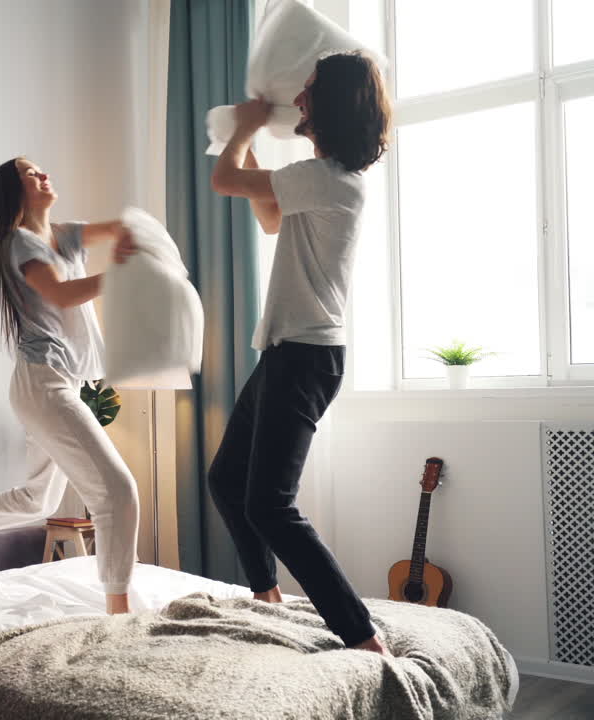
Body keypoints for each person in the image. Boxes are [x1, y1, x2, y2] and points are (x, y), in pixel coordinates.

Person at [207, 51, 393, 653]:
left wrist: (242, 129)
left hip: (304, 358)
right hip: (289, 353)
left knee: (270, 505)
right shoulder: (325, 180)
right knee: (227, 481)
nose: (300, 98)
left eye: (310, 88)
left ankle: (362, 636)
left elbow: (223, 181)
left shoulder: (327, 178)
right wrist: (245, 144)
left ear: (331, 104)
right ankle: (267, 597)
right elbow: (267, 216)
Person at [0, 157, 140, 614]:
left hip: (57, 384)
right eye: (30, 174)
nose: (43, 175)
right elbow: (62, 294)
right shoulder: (20, 243)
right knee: (118, 492)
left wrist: (140, 238)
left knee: (40, 499)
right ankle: (119, 609)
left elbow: (122, 228)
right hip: (44, 385)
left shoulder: (64, 235)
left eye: (41, 169)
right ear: (14, 192)